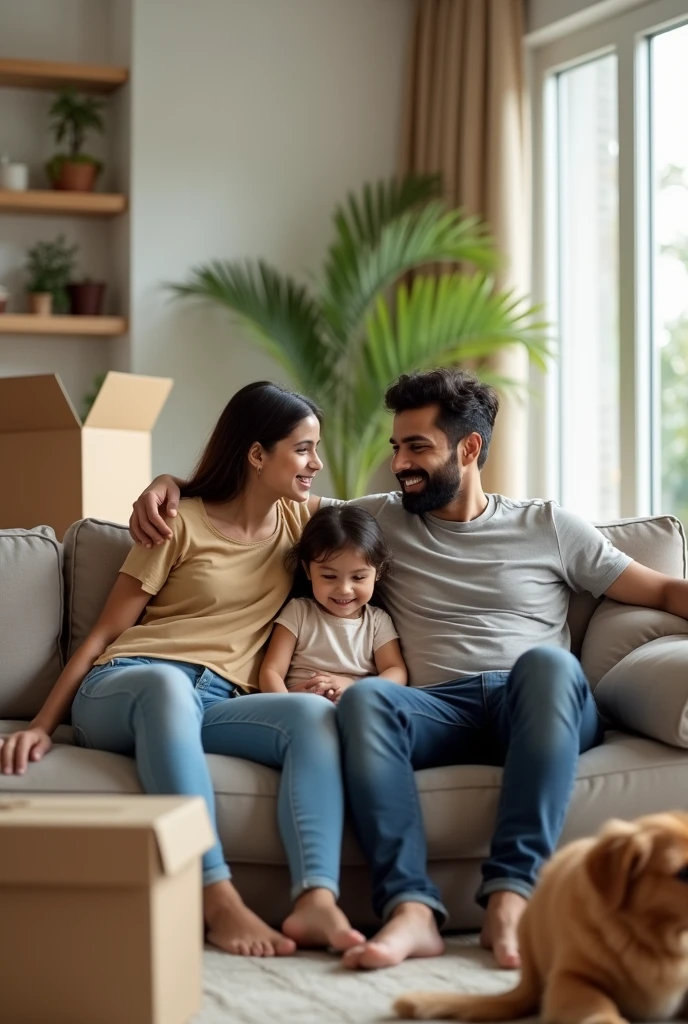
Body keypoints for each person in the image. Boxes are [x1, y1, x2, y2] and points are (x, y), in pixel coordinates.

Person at [129, 368, 688, 972]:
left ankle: (511, 894)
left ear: (469, 449)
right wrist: (169, 482)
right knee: (369, 699)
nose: (399, 464)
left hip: (534, 702)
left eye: (417, 447)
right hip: (436, 709)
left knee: (548, 666)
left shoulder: (549, 525)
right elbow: (261, 486)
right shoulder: (380, 520)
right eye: (396, 447)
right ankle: (412, 909)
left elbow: (659, 591)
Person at [0, 381, 366, 959]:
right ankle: (215, 897)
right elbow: (102, 633)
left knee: (308, 715)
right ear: (255, 454)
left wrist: (166, 476)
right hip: (130, 683)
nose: (315, 463)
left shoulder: (302, 524)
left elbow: (381, 515)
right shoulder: (178, 523)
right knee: (167, 686)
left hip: (218, 701)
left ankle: (316, 898)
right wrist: (43, 725)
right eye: (302, 449)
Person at [259, 504, 407, 700]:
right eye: (329, 576)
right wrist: (286, 702)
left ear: (378, 572)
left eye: (358, 578)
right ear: (308, 570)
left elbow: (396, 671)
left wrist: (354, 686)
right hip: (301, 708)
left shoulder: (377, 622)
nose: (344, 589)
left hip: (355, 708)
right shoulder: (298, 612)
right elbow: (271, 671)